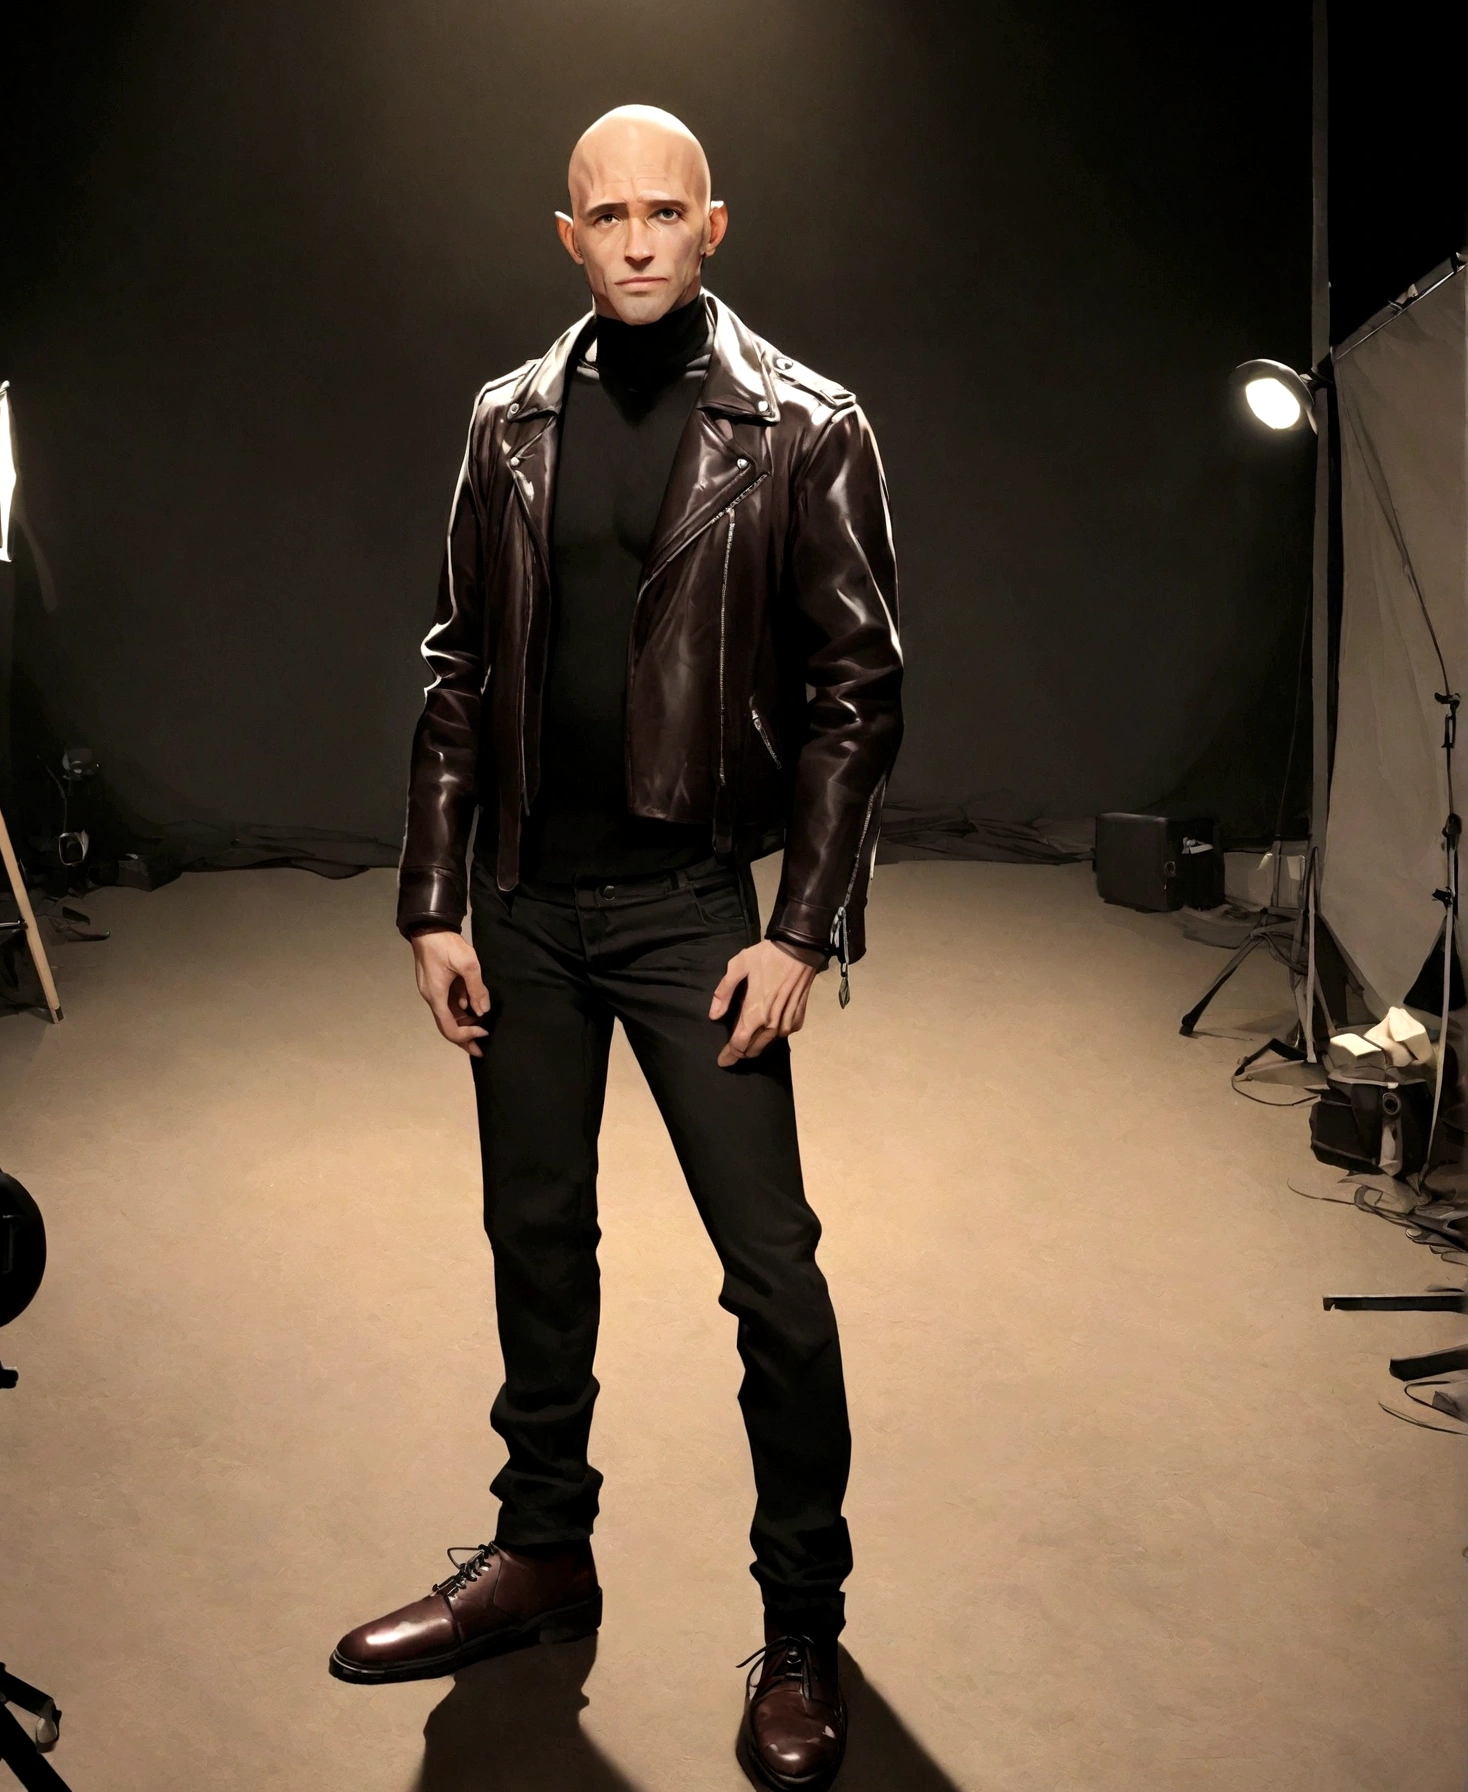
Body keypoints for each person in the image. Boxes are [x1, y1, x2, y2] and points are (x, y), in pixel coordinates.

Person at [330, 104, 902, 1792]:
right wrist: (434, 894)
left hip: (687, 916)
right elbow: (457, 669)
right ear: (565, 235)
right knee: (537, 1244)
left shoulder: (806, 426)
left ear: (712, 226)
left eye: (668, 212)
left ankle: (803, 1622)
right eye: (609, 216)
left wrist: (803, 926)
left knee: (774, 1281)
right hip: (520, 907)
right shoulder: (507, 419)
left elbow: (859, 698)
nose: (640, 239)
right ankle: (542, 1554)